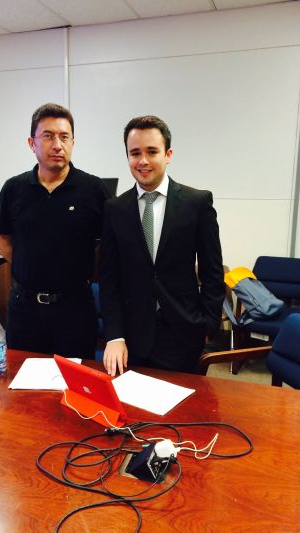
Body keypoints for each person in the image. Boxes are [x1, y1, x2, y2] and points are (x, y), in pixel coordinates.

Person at [99, 115, 225, 376]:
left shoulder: (196, 203)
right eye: (135, 153)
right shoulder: (115, 209)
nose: (143, 161)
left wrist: (208, 325)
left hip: (184, 333)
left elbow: (213, 272)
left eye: (152, 151)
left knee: (186, 402)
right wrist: (114, 335)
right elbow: (109, 278)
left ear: (168, 154)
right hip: (131, 339)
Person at [0, 103, 109, 357]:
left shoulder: (94, 190)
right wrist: (31, 265)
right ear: (31, 143)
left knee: (74, 376)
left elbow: (110, 245)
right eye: (48, 136)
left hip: (75, 308)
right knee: (23, 375)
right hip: (25, 308)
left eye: (64, 137)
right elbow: (1, 238)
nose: (57, 145)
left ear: (73, 142)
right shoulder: (13, 188)